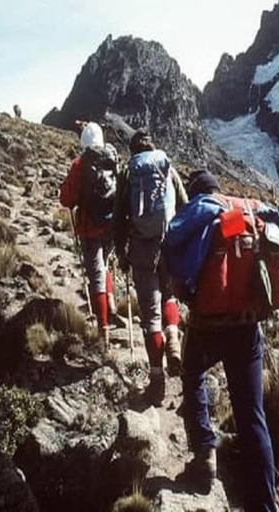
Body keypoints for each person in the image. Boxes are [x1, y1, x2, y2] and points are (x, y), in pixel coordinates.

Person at [164, 170, 279, 512]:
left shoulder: (201, 206)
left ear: (199, 191)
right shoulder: (252, 208)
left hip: (208, 324)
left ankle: (204, 453)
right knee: (251, 414)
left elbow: (170, 239)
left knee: (193, 372)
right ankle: (264, 503)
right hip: (247, 326)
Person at [114, 129, 188, 405]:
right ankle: (173, 339)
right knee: (169, 296)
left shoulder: (129, 172)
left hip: (141, 249)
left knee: (150, 315)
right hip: (168, 243)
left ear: (133, 150)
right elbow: (184, 206)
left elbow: (120, 216)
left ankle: (157, 384)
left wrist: (121, 252)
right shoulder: (166, 166)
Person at [59, 121, 118, 350]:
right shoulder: (112, 157)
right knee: (105, 266)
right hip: (111, 225)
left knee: (96, 277)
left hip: (89, 228)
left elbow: (67, 199)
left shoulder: (80, 164)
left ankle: (103, 332)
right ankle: (111, 306)